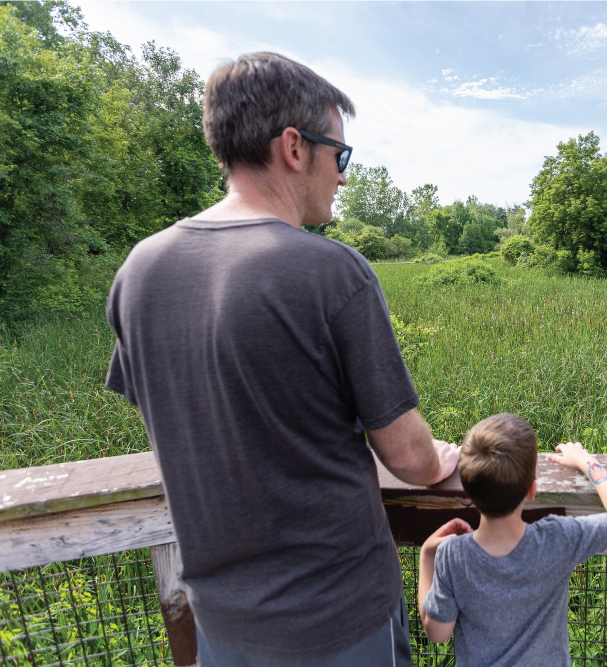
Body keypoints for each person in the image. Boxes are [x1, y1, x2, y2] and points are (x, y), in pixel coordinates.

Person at [104, 52, 459, 667]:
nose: (343, 177)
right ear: (294, 147)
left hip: (220, 618)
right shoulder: (331, 270)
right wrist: (439, 462)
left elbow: (181, 417)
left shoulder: (140, 270)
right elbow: (404, 455)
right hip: (337, 618)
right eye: (339, 156)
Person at [417, 413, 607, 666]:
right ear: (532, 490)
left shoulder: (453, 554)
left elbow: (437, 633)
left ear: (467, 490)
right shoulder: (558, 539)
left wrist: (427, 556)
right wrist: (586, 461)